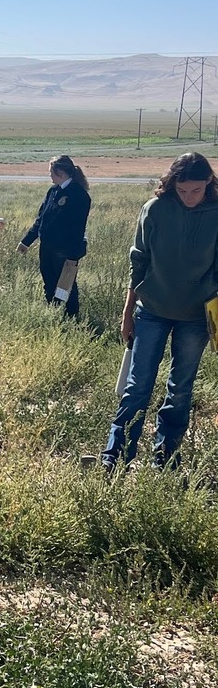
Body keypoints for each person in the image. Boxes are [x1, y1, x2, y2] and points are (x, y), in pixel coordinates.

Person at [99, 152, 218, 473]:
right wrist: (127, 313)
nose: (189, 197)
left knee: (180, 389)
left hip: (196, 317)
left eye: (196, 190)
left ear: (209, 182)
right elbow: (138, 262)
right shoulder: (155, 210)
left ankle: (165, 459)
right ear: (172, 184)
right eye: (182, 190)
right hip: (151, 310)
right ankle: (115, 456)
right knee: (137, 386)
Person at [17, 155, 91, 318]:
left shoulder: (78, 195)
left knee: (65, 286)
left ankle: (71, 317)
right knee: (49, 283)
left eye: (51, 171)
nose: (49, 175)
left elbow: (78, 228)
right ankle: (53, 313)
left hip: (65, 250)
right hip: (47, 247)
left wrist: (73, 256)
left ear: (61, 172)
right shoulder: (53, 191)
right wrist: (26, 241)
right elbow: (41, 220)